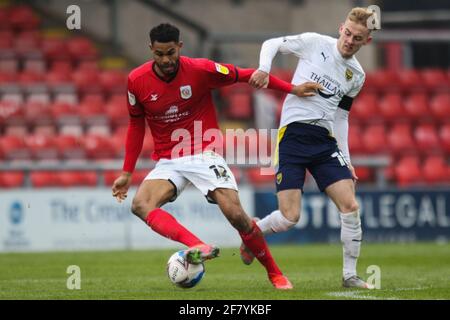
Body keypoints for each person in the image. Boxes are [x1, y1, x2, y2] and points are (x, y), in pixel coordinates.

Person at [111, 23, 320, 290]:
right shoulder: (136, 80)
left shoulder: (200, 69)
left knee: (236, 215)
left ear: (180, 47)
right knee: (140, 204)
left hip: (202, 151)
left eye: (171, 53)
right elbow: (136, 125)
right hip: (168, 159)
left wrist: (293, 89)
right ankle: (196, 245)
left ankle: (274, 273)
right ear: (150, 49)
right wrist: (127, 173)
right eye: (159, 54)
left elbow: (247, 75)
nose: (165, 60)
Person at [240, 7, 377, 289]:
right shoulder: (316, 43)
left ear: (367, 42)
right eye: (348, 33)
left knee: (350, 205)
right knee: (290, 218)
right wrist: (264, 69)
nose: (350, 40)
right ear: (341, 28)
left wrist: (346, 158)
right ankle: (253, 232)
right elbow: (272, 43)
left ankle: (349, 275)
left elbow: (341, 116)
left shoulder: (357, 76)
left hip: (324, 143)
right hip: (292, 136)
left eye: (358, 38)